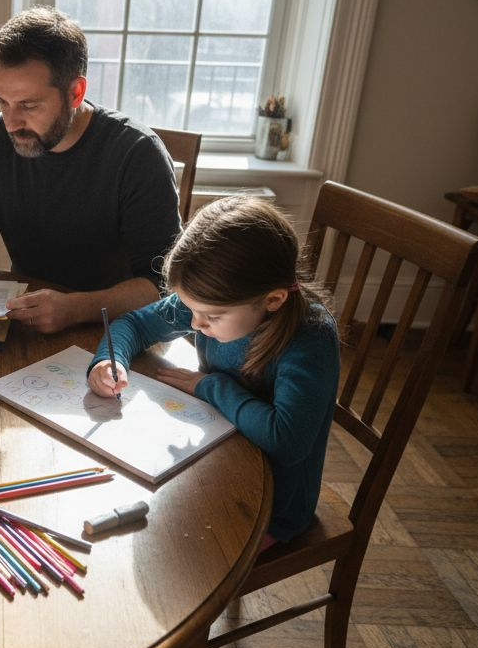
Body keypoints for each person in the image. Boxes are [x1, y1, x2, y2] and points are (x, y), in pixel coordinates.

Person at [0, 6, 181, 333]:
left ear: (76, 92)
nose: (12, 123)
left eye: (28, 105)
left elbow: (163, 285)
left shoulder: (138, 154)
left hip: (116, 333)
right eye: (3, 101)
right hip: (29, 321)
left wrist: (75, 308)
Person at [88, 197, 340, 548]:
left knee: (177, 551)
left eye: (211, 317)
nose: (194, 323)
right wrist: (108, 361)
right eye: (190, 309)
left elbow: (287, 442)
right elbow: (134, 324)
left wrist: (210, 386)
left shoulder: (309, 339)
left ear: (273, 301)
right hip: (215, 459)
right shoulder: (212, 299)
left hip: (273, 506)